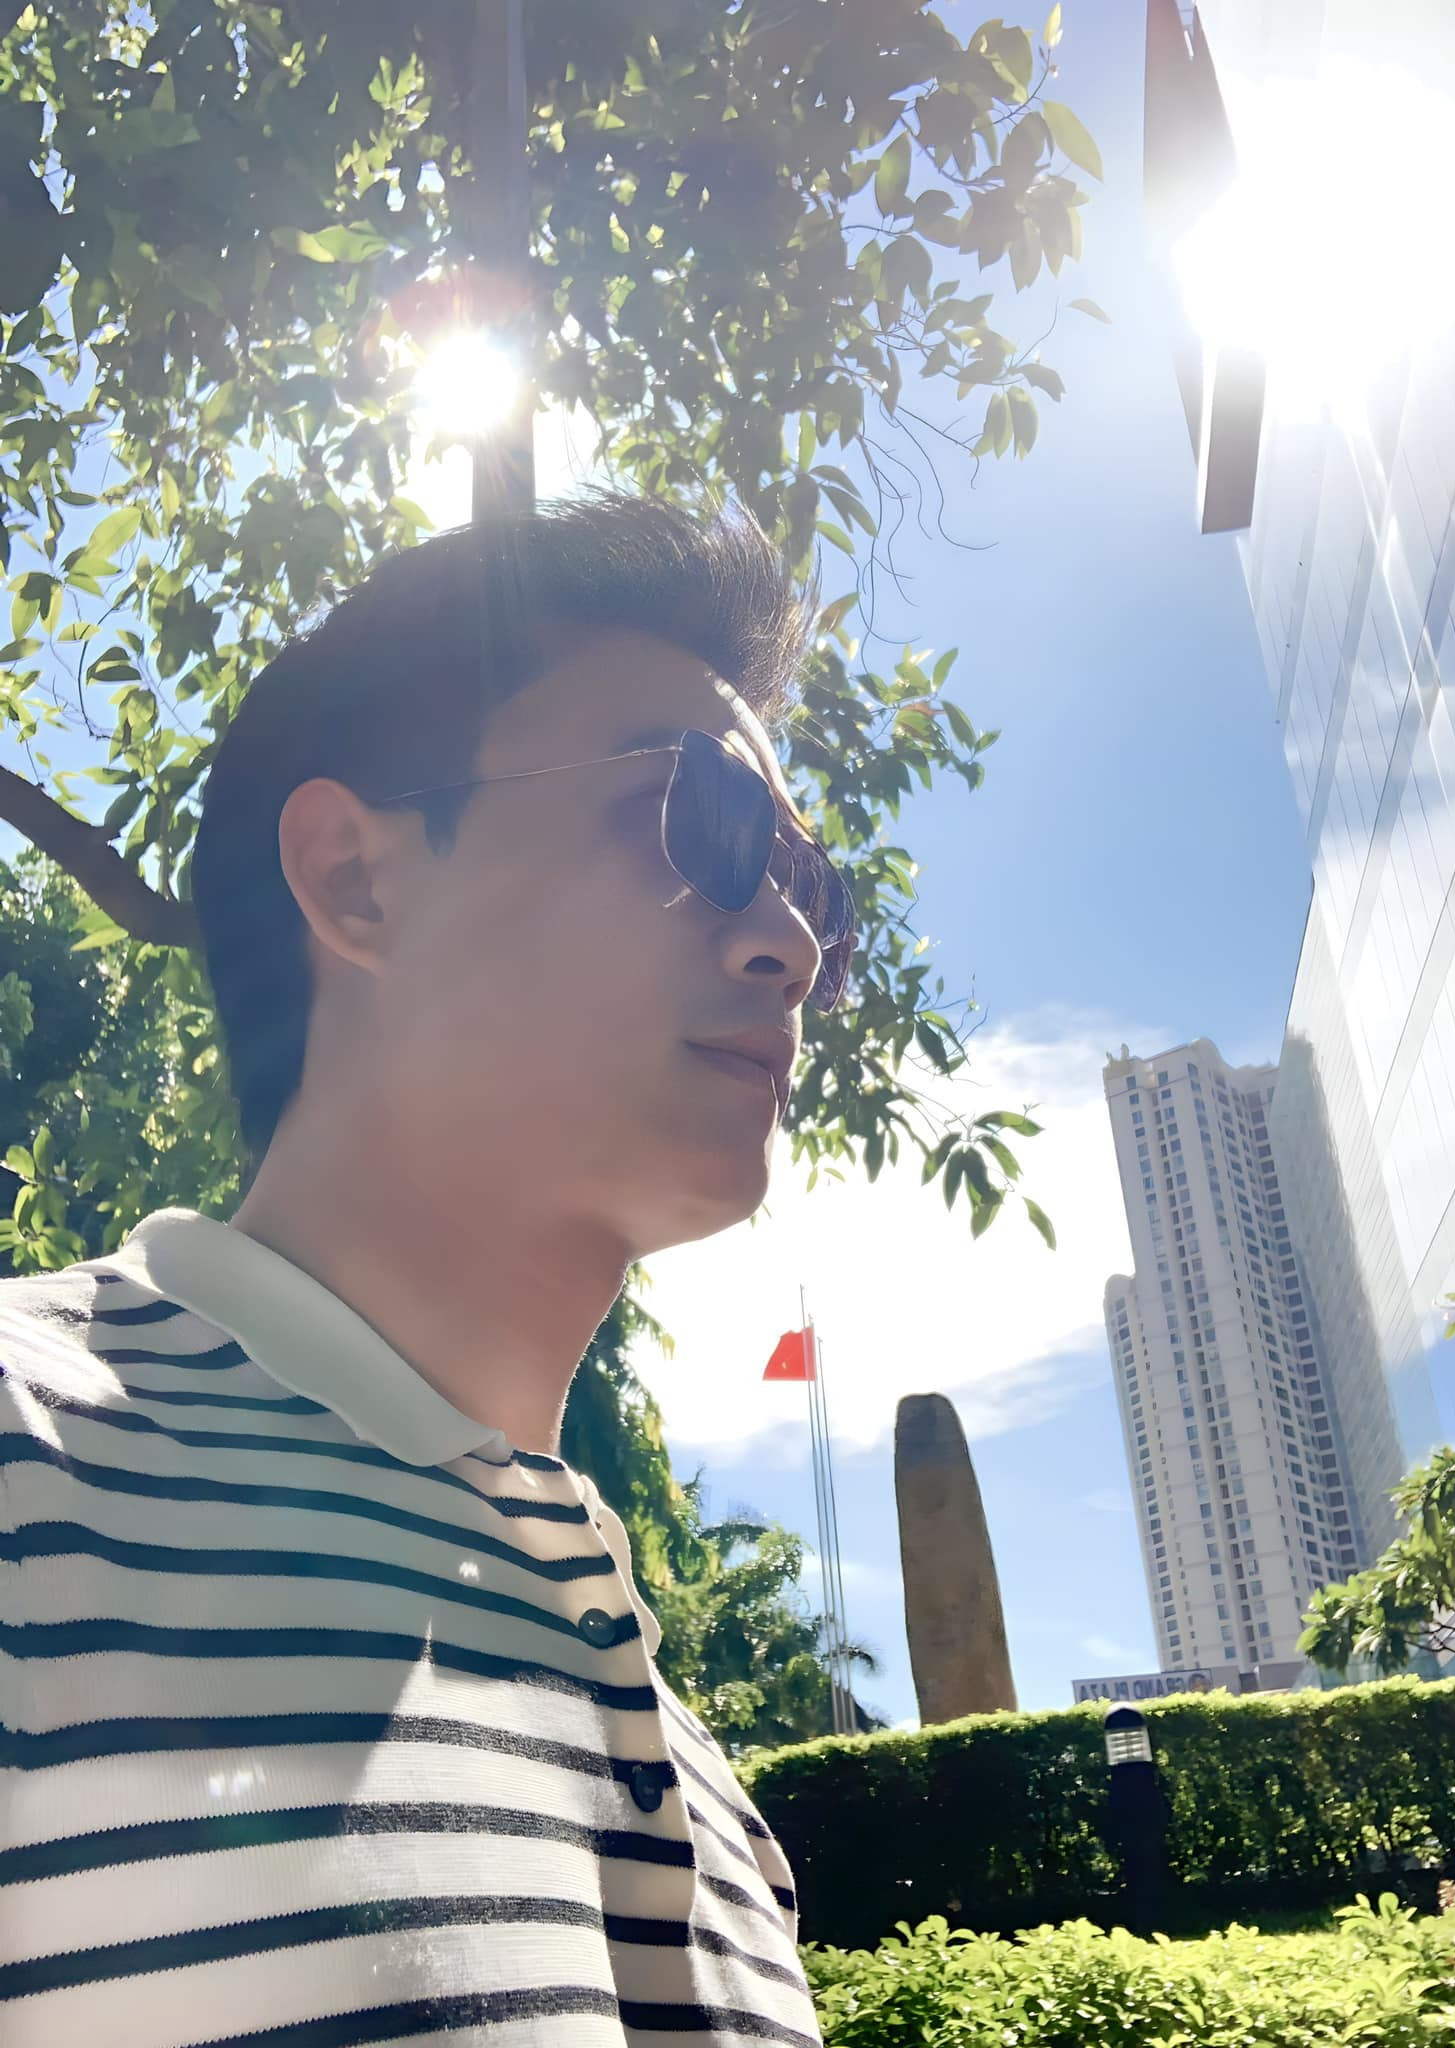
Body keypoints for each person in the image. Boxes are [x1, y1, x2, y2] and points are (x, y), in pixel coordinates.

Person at [0, 493, 856, 2045]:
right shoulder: (25, 1458)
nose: (789, 943)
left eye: (815, 886)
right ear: (357, 881)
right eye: (705, 819)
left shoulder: (714, 1803)